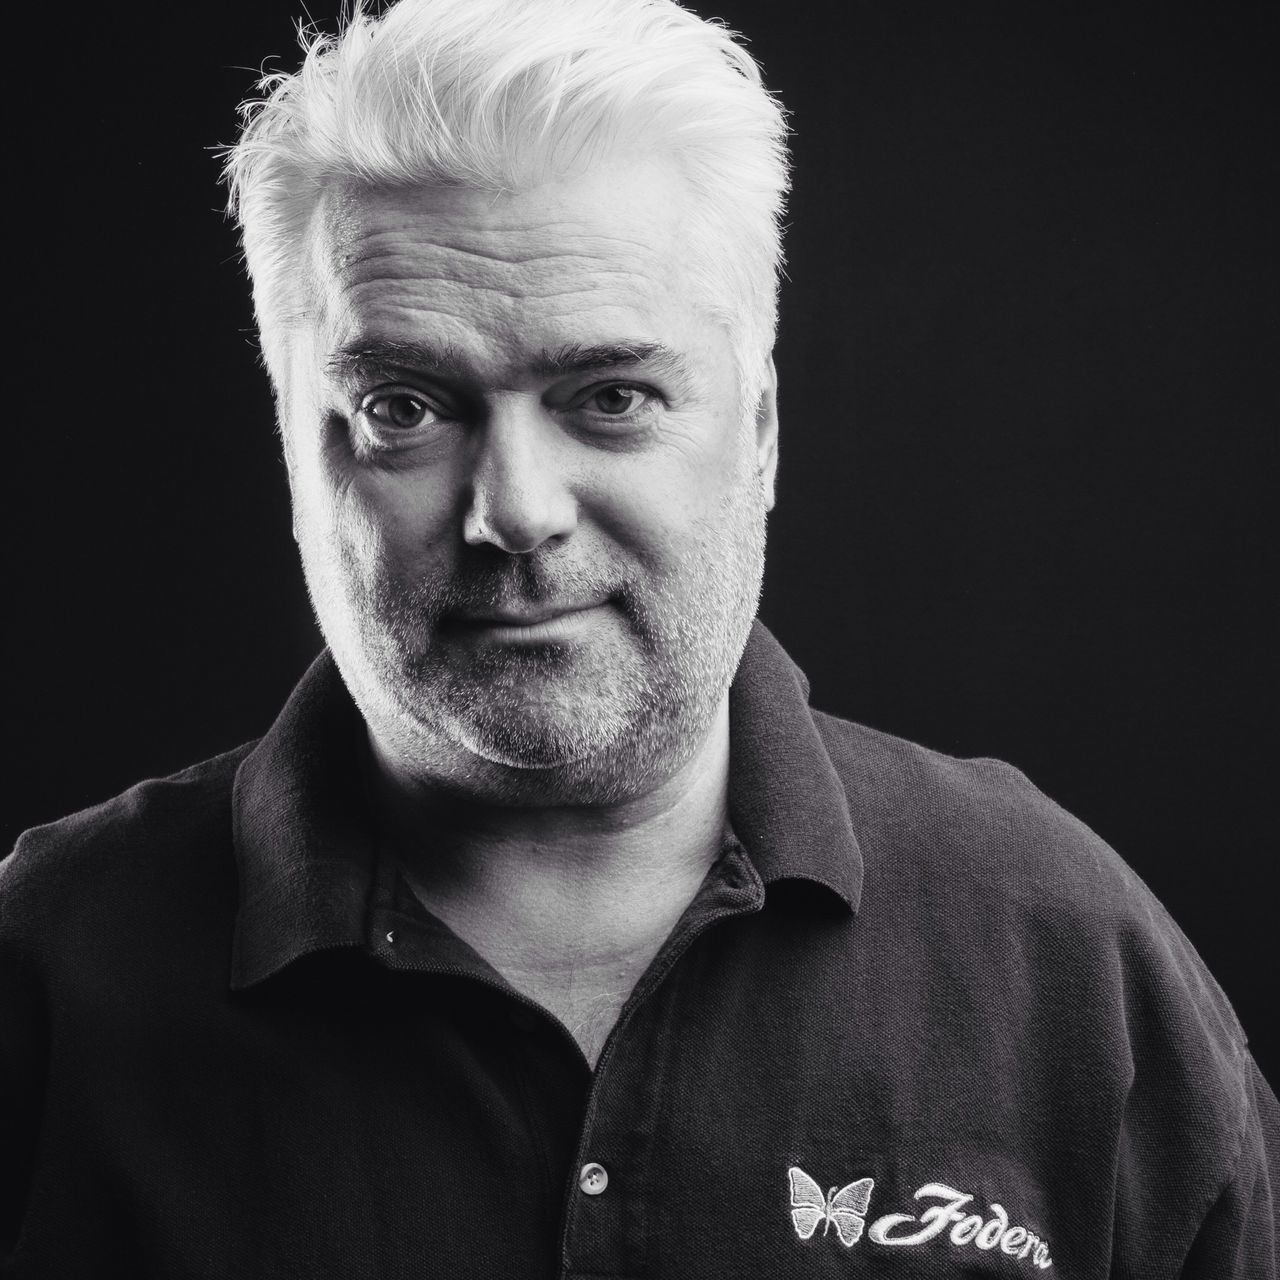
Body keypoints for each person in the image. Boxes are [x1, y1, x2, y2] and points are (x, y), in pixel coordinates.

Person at [2, 0, 1275, 1274]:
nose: (515, 511)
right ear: (294, 448)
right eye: (404, 405)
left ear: (759, 430)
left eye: (609, 397)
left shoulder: (1065, 956)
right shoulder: (46, 976)